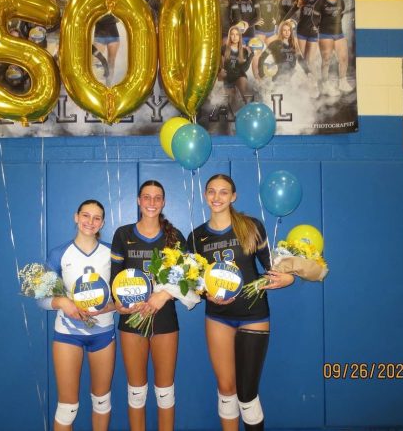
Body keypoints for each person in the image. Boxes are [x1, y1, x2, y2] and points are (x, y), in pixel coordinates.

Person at [187, 174, 295, 431]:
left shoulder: (251, 226)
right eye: (211, 191)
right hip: (217, 316)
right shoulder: (196, 236)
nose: (216, 197)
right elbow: (194, 281)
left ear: (233, 197)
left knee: (246, 393)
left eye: (223, 192)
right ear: (205, 195)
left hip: (253, 315)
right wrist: (204, 294)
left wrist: (288, 278)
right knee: (226, 389)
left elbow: (272, 268)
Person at [110, 180, 185, 431]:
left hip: (165, 319)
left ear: (163, 202)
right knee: (136, 391)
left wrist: (163, 296)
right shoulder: (123, 234)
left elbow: (187, 280)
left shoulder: (174, 237)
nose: (152, 202)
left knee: (165, 392)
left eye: (157, 198)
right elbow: (115, 278)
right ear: (138, 201)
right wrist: (120, 303)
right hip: (132, 319)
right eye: (147, 197)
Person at [37, 200, 116, 431]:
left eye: (96, 217)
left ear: (102, 222)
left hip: (103, 334)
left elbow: (123, 300)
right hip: (67, 335)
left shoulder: (112, 253)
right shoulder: (59, 253)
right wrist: (62, 302)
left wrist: (107, 307)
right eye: (85, 215)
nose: (90, 222)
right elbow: (41, 298)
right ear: (76, 217)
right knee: (67, 407)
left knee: (102, 402)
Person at [316, 0, 353, 94]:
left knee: (344, 59)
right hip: (325, 34)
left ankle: (342, 82)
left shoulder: (341, 2)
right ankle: (325, 84)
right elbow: (315, 20)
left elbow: (339, 17)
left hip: (339, 34)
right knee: (326, 60)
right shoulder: (320, 3)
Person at [257, 19, 311, 85]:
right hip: (278, 79)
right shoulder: (275, 44)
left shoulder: (293, 45)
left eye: (288, 30)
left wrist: (308, 72)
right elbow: (262, 57)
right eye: (284, 30)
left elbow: (300, 59)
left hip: (291, 78)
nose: (287, 32)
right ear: (281, 32)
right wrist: (262, 74)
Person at [220, 26, 253, 107]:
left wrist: (250, 56)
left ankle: (251, 109)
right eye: (232, 34)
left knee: (244, 90)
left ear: (240, 37)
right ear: (229, 36)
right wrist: (220, 71)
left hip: (239, 75)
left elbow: (244, 69)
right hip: (228, 77)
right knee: (231, 103)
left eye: (237, 35)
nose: (235, 37)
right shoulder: (224, 49)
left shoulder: (244, 51)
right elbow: (218, 63)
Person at [293, 0, 321, 79]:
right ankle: (306, 82)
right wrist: (282, 22)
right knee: (302, 60)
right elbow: (292, 10)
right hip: (301, 32)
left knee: (310, 60)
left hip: (313, 33)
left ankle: (315, 83)